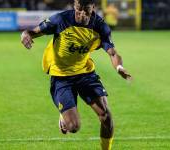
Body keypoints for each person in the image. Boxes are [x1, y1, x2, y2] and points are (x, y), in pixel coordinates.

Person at [21, 0, 132, 149]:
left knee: (106, 116)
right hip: (61, 76)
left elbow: (112, 53)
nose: (81, 14)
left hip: (85, 73)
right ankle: (64, 114)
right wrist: (25, 34)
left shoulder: (100, 26)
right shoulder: (61, 19)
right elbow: (33, 32)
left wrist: (119, 67)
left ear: (93, 7)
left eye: (86, 10)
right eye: (79, 9)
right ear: (74, 6)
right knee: (73, 127)